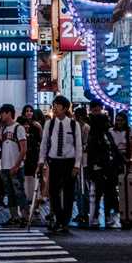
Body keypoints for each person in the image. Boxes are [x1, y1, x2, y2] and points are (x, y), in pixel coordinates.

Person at [41, 95, 83, 234]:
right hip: (54, 161)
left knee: (69, 192)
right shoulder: (50, 123)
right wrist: (41, 161)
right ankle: (59, 218)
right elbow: (44, 143)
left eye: (57, 106)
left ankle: (65, 221)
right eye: (54, 105)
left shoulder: (73, 124)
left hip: (69, 161)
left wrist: (77, 165)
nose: (55, 108)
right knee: (53, 191)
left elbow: (78, 145)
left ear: (65, 108)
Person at [0, 104, 28, 226]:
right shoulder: (3, 129)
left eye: (2, 113)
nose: (1, 116)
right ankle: (14, 216)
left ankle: (24, 217)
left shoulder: (18, 128)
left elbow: (23, 149)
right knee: (10, 193)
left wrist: (16, 165)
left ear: (9, 113)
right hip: (5, 166)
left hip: (15, 166)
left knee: (19, 193)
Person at [85, 112, 120, 228]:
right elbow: (92, 155)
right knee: (99, 193)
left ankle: (106, 215)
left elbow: (114, 149)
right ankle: (96, 216)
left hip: (109, 167)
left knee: (109, 192)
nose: (108, 123)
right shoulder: (94, 137)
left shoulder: (107, 135)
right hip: (99, 168)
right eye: (106, 121)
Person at [20, 106, 44, 213]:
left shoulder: (36, 125)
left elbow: (42, 140)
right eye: (27, 111)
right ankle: (25, 205)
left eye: (30, 111)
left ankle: (35, 205)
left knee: (35, 179)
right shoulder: (20, 124)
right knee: (25, 179)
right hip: (23, 154)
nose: (29, 113)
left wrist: (39, 129)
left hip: (34, 154)